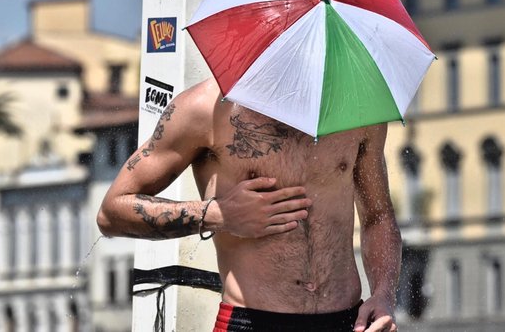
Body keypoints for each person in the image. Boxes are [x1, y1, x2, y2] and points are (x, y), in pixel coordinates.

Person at [97, 78, 401, 332]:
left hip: (349, 321)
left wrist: (384, 293)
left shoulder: (358, 109)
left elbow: (378, 216)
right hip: (252, 322)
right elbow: (113, 211)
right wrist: (217, 215)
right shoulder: (206, 107)